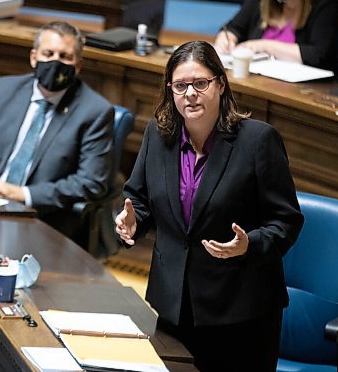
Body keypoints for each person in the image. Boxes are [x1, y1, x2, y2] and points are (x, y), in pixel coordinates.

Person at [115, 41, 303, 371]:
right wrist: (132, 222)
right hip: (175, 303)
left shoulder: (257, 141)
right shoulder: (158, 137)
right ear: (170, 90)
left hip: (240, 312)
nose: (190, 94)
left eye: (200, 83)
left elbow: (286, 220)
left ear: (220, 84)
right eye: (180, 85)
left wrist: (250, 244)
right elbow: (139, 200)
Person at [0, 21, 114, 242]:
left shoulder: (94, 111)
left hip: (40, 217)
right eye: (48, 53)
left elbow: (91, 183)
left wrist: (21, 194)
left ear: (78, 66)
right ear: (34, 57)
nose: (55, 62)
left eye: (64, 56)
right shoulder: (5, 90)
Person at [214, 0, 338, 72]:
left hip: (301, 89)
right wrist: (227, 38)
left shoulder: (326, 0)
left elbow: (318, 56)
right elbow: (233, 27)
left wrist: (264, 46)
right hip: (259, 81)